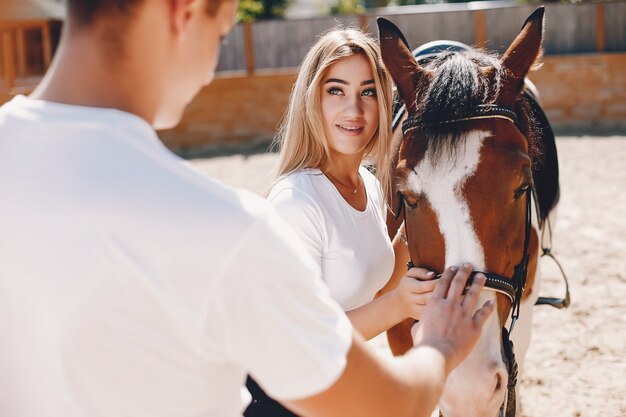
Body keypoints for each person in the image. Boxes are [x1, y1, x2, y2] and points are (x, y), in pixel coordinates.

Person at [0, 2, 494, 417]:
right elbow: (385, 402)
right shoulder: (226, 228)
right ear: (184, 12)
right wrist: (442, 347)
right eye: (221, 34)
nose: (213, 66)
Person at [245, 28, 441, 417]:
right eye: (336, 90)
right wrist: (398, 305)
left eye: (368, 92)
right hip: (280, 403)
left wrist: (422, 220)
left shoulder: (365, 183)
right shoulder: (296, 202)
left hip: (337, 389)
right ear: (311, 100)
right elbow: (302, 339)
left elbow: (368, 283)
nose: (354, 110)